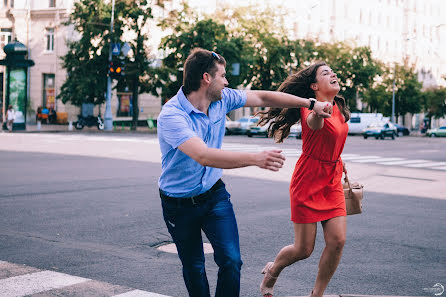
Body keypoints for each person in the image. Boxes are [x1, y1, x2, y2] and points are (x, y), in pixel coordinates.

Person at [157, 48, 333, 297]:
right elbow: (204, 155)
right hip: (178, 202)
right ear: (207, 78)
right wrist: (256, 159)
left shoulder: (223, 99)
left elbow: (262, 98)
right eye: (223, 76)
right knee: (195, 266)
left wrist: (310, 103)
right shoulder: (172, 115)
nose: (227, 82)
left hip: (213, 195)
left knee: (231, 260)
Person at [258, 61, 351, 297]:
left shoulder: (338, 105)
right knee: (303, 249)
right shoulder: (309, 109)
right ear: (313, 86)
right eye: (325, 73)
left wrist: (339, 160)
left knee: (338, 241)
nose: (333, 74)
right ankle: (274, 270)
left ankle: (316, 294)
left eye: (333, 71)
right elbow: (315, 124)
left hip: (332, 180)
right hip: (308, 181)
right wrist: (318, 111)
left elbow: (333, 140)